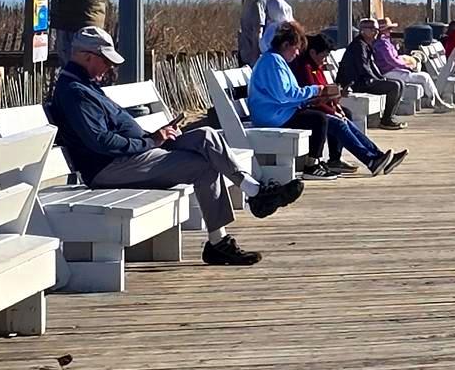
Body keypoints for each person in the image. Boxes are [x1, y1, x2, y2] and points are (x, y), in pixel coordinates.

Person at [47, 26, 299, 266]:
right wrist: (151, 141)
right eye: (105, 60)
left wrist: (158, 135)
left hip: (135, 154)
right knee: (202, 166)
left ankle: (254, 191)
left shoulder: (85, 86)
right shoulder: (75, 92)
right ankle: (224, 235)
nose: (109, 66)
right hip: (110, 167)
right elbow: (102, 142)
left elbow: (113, 133)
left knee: (206, 135)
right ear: (86, 56)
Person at [251, 22, 404, 177]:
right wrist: (317, 91)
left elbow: (286, 95)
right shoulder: (273, 62)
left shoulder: (275, 60)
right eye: (295, 48)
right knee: (321, 119)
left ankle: (376, 157)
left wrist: (314, 99)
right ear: (285, 44)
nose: (297, 53)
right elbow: (285, 94)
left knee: (334, 118)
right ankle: (312, 166)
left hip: (280, 112)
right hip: (273, 117)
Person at [371, 17, 452, 113]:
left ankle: (436, 101)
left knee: (424, 76)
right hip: (388, 72)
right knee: (424, 77)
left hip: (391, 70)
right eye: (389, 29)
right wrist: (407, 65)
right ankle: (437, 102)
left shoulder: (384, 42)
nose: (391, 30)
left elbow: (393, 59)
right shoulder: (382, 43)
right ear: (383, 31)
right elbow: (391, 60)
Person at [337, 16, 406, 128]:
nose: (376, 32)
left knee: (399, 83)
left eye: (377, 30)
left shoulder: (366, 44)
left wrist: (380, 78)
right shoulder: (358, 46)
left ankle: (389, 117)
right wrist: (377, 79)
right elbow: (363, 68)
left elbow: (372, 66)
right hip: (354, 84)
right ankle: (386, 120)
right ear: (363, 30)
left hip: (365, 80)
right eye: (372, 29)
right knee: (394, 86)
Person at [233, 0, 266, 66]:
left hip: (252, 58)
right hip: (245, 54)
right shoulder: (246, 0)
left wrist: (255, 58)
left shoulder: (256, 2)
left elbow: (258, 30)